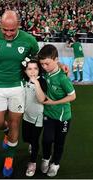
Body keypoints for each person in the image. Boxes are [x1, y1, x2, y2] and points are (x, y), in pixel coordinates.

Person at [0, 10, 39, 177]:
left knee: (14, 124)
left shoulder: (29, 40)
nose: (8, 33)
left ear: (18, 25)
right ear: (0, 26)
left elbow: (38, 61)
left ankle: (9, 158)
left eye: (12, 30)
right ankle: (7, 134)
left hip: (18, 87)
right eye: (5, 30)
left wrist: (58, 65)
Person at [37, 44, 76, 177]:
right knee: (47, 139)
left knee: (59, 142)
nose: (44, 67)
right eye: (42, 64)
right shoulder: (45, 71)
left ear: (56, 60)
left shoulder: (63, 79)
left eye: (47, 64)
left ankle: (55, 164)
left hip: (63, 117)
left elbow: (73, 96)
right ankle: (46, 158)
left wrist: (54, 102)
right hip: (48, 114)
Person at [21, 57, 46, 177]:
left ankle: (33, 163)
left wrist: (36, 83)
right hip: (26, 116)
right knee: (26, 138)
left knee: (35, 140)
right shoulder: (23, 81)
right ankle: (31, 144)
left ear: (39, 70)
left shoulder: (42, 81)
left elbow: (42, 99)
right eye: (29, 69)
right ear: (25, 71)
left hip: (38, 118)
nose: (32, 71)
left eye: (35, 68)